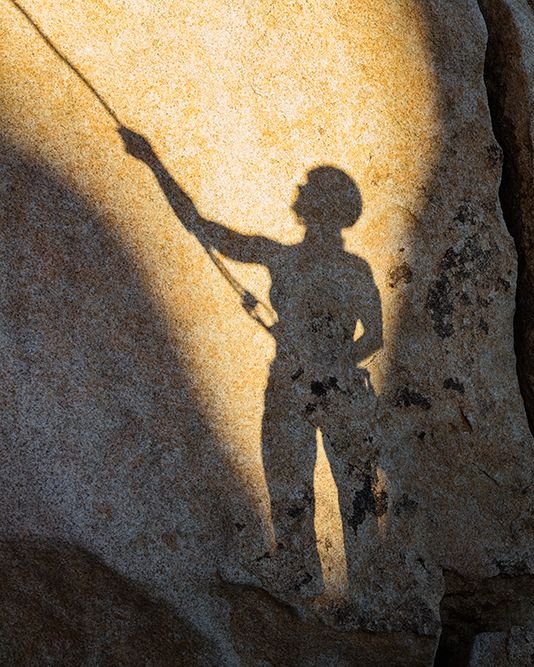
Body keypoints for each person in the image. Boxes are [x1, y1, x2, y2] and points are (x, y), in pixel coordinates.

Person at [119, 127, 382, 596]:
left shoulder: (336, 268)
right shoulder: (292, 259)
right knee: (293, 492)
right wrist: (153, 163)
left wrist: (326, 363)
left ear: (322, 205)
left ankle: (361, 592)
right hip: (300, 388)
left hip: (317, 388)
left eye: (307, 186)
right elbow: (204, 228)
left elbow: (375, 339)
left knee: (350, 495)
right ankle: (306, 583)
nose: (297, 190)